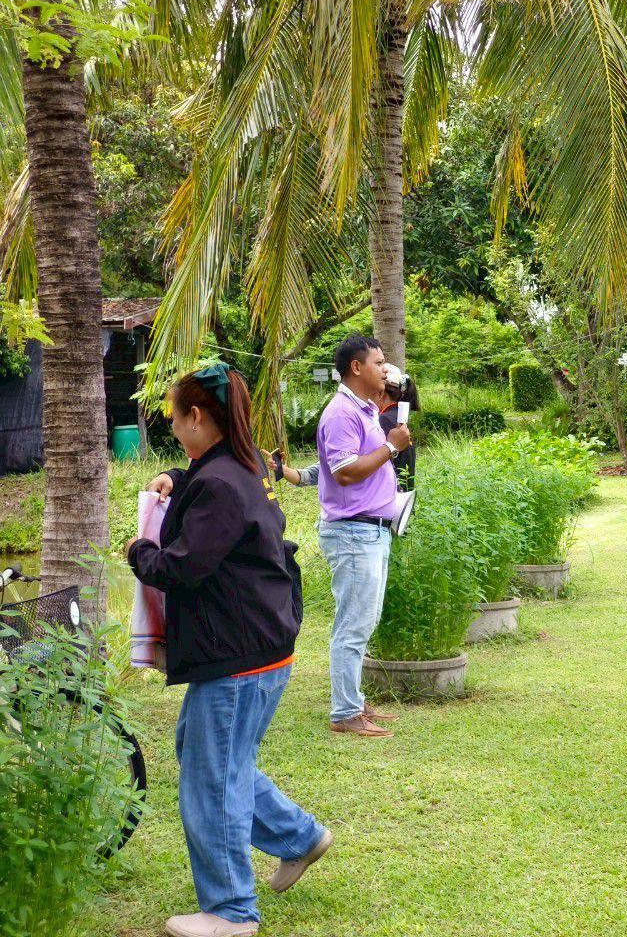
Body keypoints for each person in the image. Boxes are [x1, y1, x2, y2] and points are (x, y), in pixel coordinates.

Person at [130, 364, 330, 937]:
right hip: (260, 646)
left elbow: (183, 567)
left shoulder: (221, 482)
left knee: (211, 778)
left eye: (175, 420)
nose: (173, 430)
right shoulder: (247, 465)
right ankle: (299, 837)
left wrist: (139, 551)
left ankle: (231, 912)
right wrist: (174, 476)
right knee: (211, 757)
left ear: (197, 416)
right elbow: (206, 485)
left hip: (238, 656)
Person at [316, 335, 412, 738]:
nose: (385, 369)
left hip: (370, 531)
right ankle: (345, 713)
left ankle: (353, 699)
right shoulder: (341, 413)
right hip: (354, 533)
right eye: (378, 362)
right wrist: (390, 448)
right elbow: (344, 472)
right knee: (353, 625)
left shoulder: (364, 409)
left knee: (363, 620)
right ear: (356, 367)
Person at [274, 364, 418, 491]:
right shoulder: (399, 418)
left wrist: (302, 475)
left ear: (380, 392)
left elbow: (347, 467)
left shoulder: (382, 420)